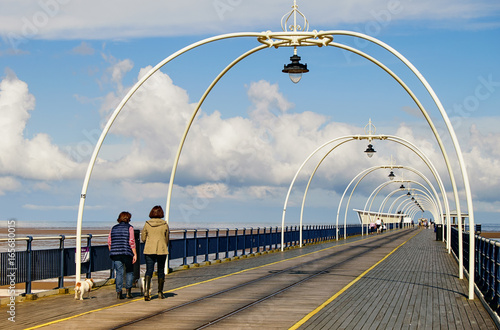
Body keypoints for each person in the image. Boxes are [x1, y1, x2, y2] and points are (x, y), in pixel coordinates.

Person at [142, 205, 169, 301]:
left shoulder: (147, 224)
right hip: (162, 249)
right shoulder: (165, 224)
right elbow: (166, 239)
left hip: (149, 249)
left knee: (149, 270)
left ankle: (146, 292)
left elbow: (143, 238)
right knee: (161, 270)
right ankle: (160, 292)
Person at [108, 211, 137, 299]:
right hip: (127, 253)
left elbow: (109, 241)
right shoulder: (130, 228)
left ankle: (119, 293)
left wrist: (112, 251)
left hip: (116, 253)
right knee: (129, 271)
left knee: (119, 273)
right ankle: (128, 292)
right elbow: (131, 242)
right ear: (128, 219)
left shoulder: (113, 228)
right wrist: (135, 254)